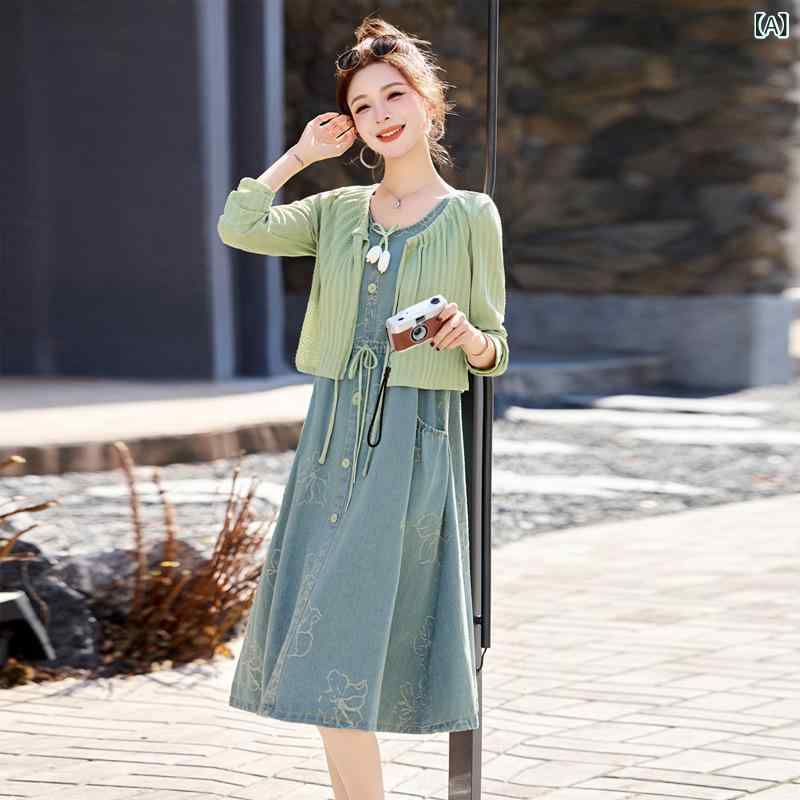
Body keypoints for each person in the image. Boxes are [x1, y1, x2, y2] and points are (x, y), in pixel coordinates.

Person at [218, 14, 509, 800]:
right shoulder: (338, 210)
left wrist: (467, 337)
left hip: (413, 444)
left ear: (429, 102)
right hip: (331, 439)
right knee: (324, 652)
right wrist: (301, 156)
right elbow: (240, 225)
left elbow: (497, 346)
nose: (380, 114)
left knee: (341, 648)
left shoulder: (472, 214)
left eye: (394, 95)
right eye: (362, 105)